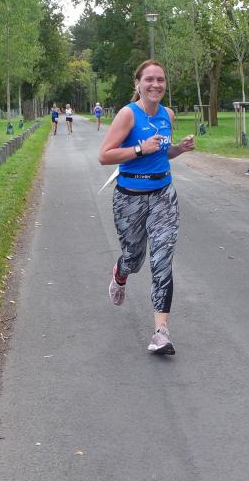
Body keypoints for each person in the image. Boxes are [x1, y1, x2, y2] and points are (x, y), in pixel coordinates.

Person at [98, 59, 195, 355]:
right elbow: (104, 156)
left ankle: (161, 333)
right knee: (134, 258)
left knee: (162, 259)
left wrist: (179, 149)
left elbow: (163, 153)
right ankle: (120, 273)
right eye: (149, 79)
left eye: (160, 79)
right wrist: (140, 148)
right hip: (130, 197)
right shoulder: (128, 114)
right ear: (138, 84)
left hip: (163, 195)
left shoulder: (168, 114)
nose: (155, 84)